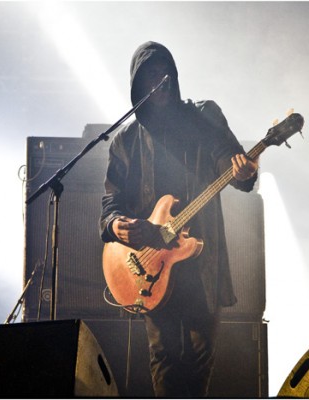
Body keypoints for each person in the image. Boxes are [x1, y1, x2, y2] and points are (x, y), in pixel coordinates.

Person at [99, 41, 259, 398]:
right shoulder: (125, 141)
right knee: (164, 356)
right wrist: (117, 226)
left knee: (201, 355)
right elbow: (110, 205)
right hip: (150, 265)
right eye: (151, 75)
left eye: (165, 72)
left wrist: (243, 173)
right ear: (137, 85)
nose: (161, 80)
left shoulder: (204, 116)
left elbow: (226, 160)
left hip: (201, 258)